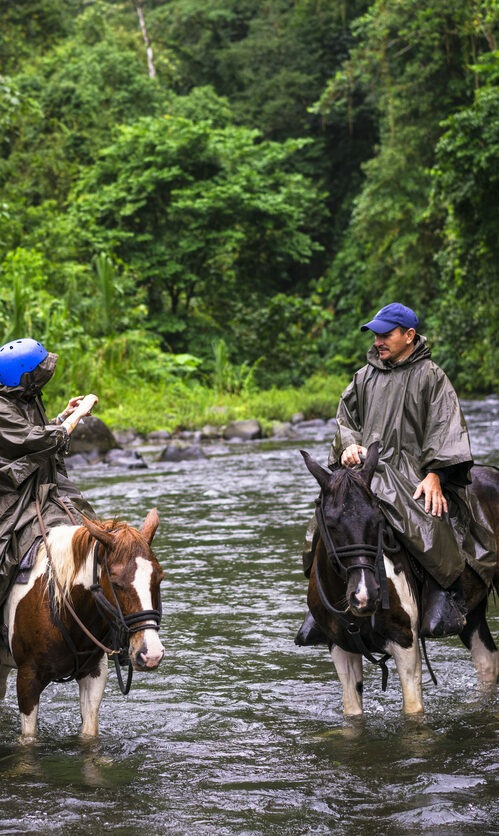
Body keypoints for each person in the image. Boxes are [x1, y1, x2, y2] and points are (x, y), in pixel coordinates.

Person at [298, 303, 496, 641]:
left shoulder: (432, 376)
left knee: (423, 519)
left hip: (414, 471)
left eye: (386, 334)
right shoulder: (364, 376)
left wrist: (436, 474)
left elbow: (446, 428)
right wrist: (349, 446)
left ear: (409, 335)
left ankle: (446, 593)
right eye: (376, 335)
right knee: (327, 516)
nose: (378, 341)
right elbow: (346, 421)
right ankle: (323, 608)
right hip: (367, 468)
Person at [0, 338, 98, 605]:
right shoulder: (1, 408)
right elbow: (38, 441)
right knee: (5, 554)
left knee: (95, 531)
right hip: (14, 491)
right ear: (25, 376)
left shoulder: (24, 397)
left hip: (46, 482)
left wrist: (62, 415)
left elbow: (35, 434)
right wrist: (76, 418)